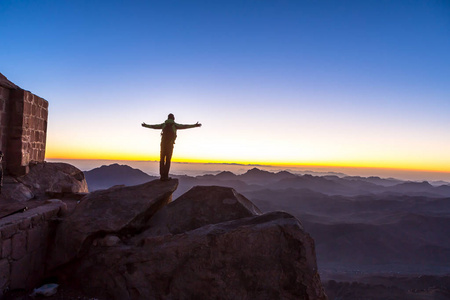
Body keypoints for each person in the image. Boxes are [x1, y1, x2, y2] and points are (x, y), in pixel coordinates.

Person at [142, 114, 201, 181]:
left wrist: (145, 125)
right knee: (168, 161)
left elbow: (154, 126)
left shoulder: (164, 125)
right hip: (170, 145)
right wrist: (195, 125)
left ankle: (162, 176)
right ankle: (166, 176)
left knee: (162, 160)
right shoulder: (175, 125)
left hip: (163, 145)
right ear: (173, 118)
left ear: (168, 118)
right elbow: (185, 126)